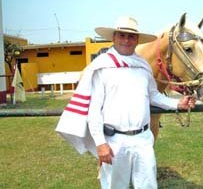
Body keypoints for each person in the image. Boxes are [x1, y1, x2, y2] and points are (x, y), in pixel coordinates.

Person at [56, 16, 195, 189]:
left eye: (131, 36)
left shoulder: (143, 66)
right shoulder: (102, 66)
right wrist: (100, 143)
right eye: (122, 35)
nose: (126, 40)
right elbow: (94, 110)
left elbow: (153, 95)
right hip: (114, 141)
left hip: (143, 140)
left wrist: (177, 104)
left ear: (137, 40)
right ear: (114, 37)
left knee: (148, 185)